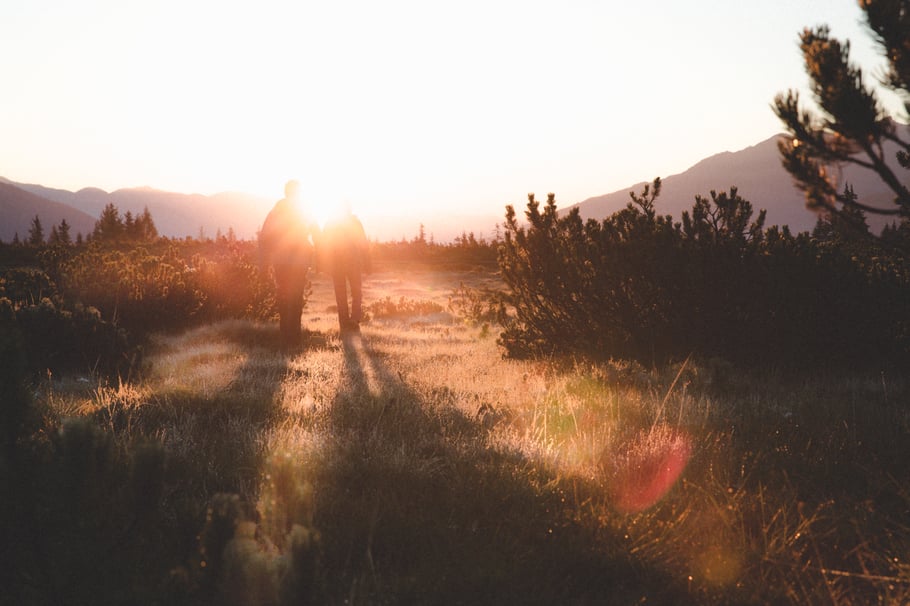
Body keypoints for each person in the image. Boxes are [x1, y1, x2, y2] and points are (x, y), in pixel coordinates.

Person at [259, 180, 319, 348]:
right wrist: (321, 259)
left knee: (284, 296)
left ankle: (285, 337)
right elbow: (316, 233)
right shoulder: (304, 209)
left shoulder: (276, 211)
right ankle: (295, 338)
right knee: (296, 297)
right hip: (299, 261)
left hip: (281, 261)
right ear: (299, 192)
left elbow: (264, 238)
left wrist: (263, 266)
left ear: (285, 192)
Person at [320, 201, 370, 332]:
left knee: (341, 295)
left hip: (337, 264)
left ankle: (344, 324)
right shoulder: (355, 222)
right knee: (357, 292)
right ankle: (355, 320)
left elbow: (323, 244)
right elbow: (363, 243)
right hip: (353, 263)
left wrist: (322, 263)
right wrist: (367, 263)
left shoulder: (330, 223)